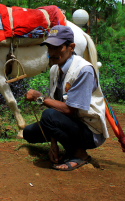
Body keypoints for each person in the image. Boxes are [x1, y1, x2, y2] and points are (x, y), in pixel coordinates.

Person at [23, 25, 109, 171]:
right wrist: (53, 144)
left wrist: (40, 97)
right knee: (29, 133)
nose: (52, 52)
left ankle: (80, 154)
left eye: (58, 47)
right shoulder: (54, 69)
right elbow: (56, 107)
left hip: (88, 130)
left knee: (48, 116)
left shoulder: (84, 70)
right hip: (70, 123)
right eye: (49, 47)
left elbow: (69, 110)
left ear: (71, 47)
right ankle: (66, 147)